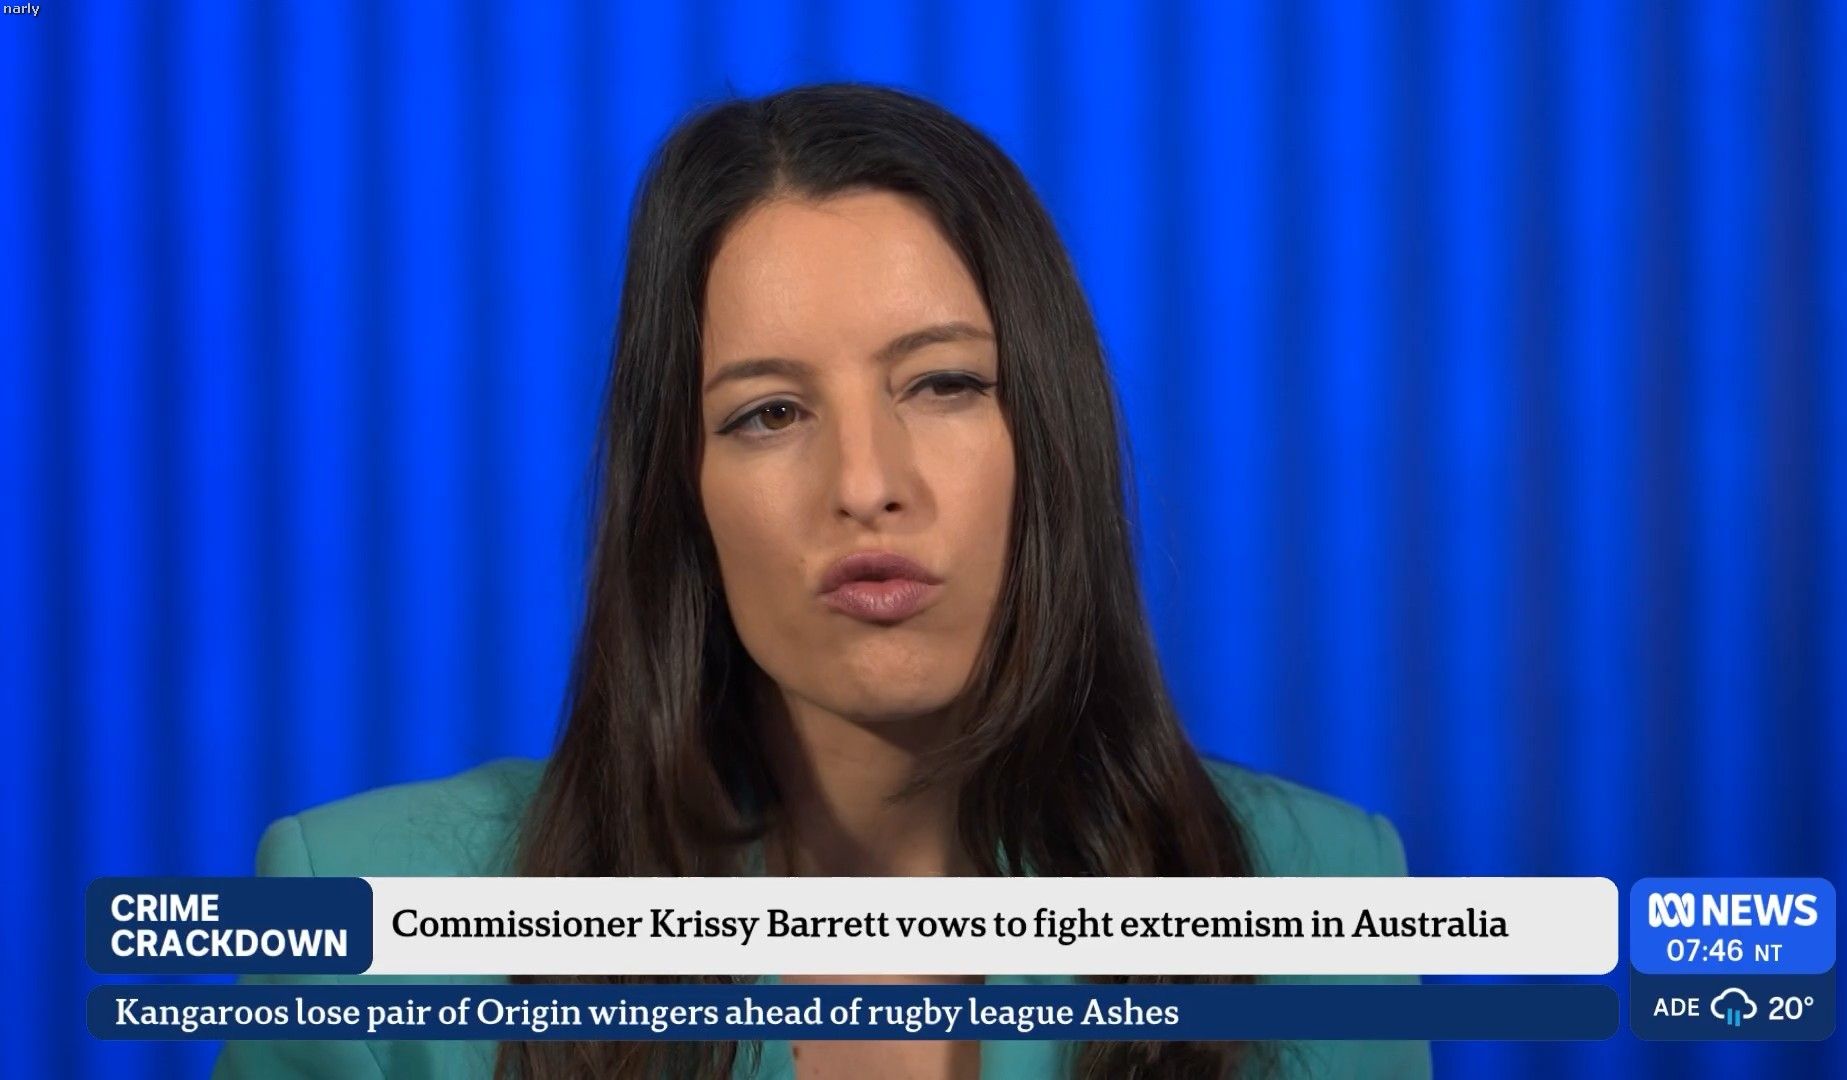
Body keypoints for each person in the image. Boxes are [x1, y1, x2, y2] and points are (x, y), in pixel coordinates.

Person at [214, 83, 1427, 1080]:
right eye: (770, 412)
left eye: (943, 384)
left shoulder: (1323, 898)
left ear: (1052, 440)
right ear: (680, 494)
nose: (866, 483)